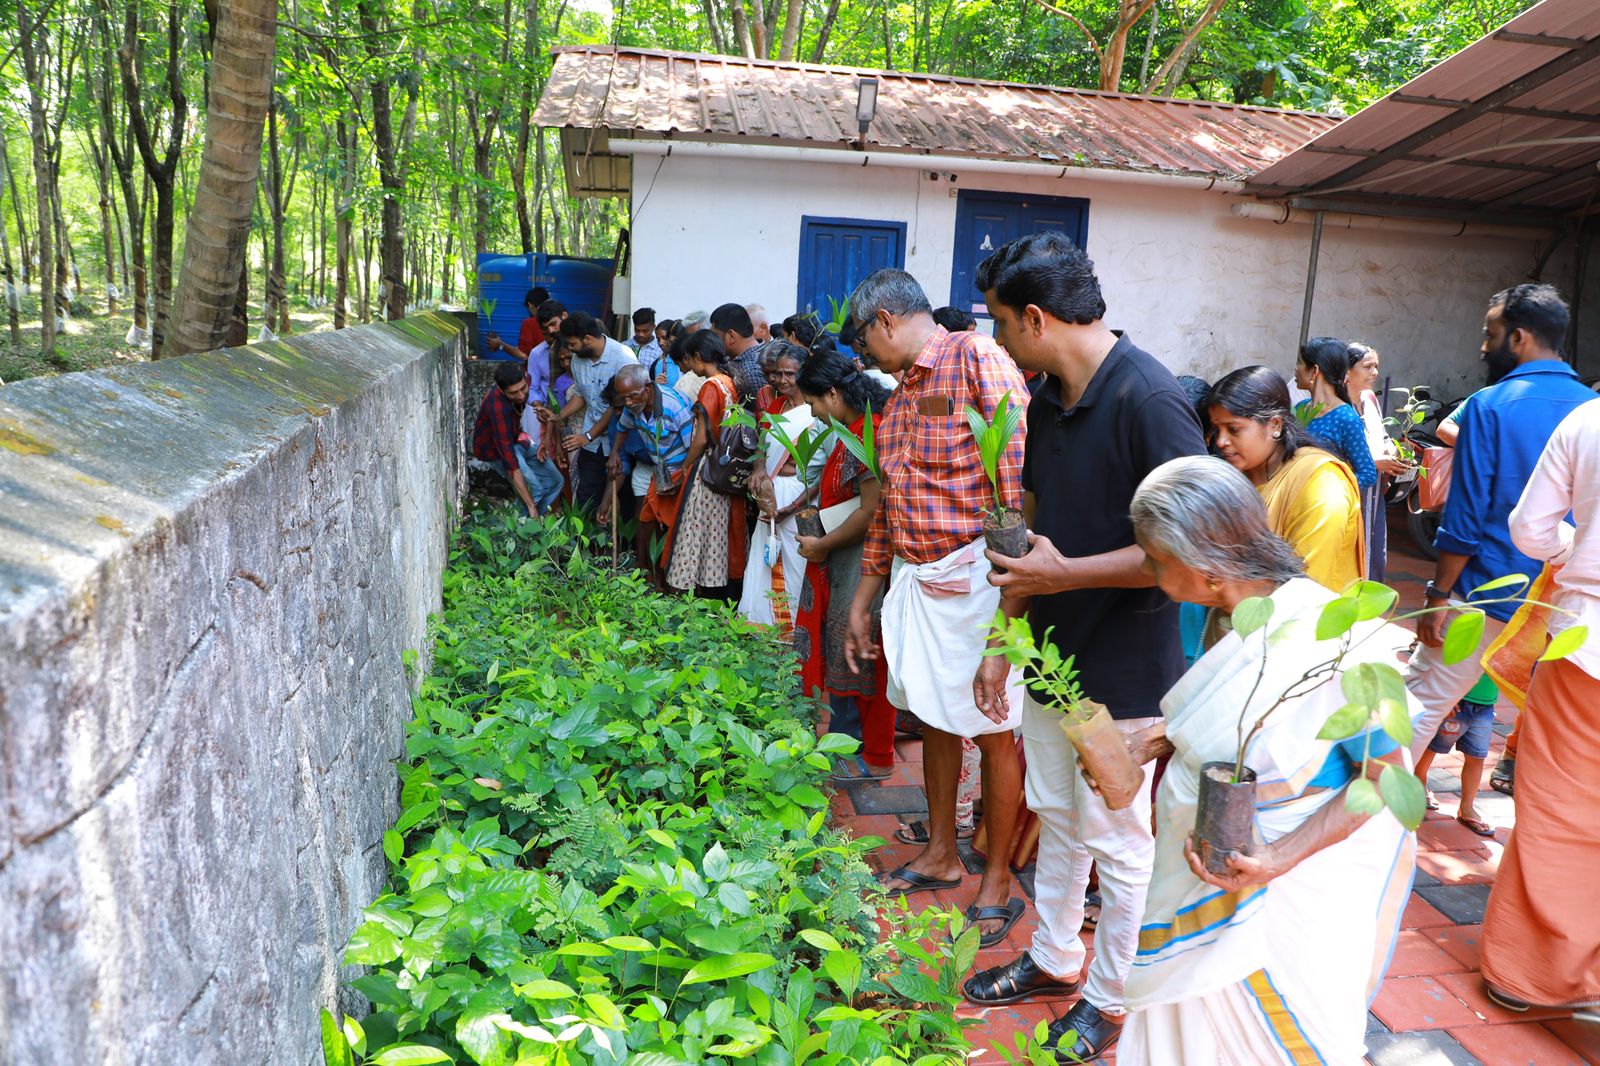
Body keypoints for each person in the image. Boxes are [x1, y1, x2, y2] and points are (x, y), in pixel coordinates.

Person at [962, 233, 1207, 1062]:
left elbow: (1190, 551)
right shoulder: (1045, 401)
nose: (995, 342)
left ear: (1034, 319)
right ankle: (1054, 957)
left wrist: (1064, 577)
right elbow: (1036, 541)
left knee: (1118, 841)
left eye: (999, 324)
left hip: (1124, 675)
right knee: (1060, 817)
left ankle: (1108, 1000)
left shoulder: (1150, 401)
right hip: (1052, 662)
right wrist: (1006, 640)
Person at [1111, 455, 1417, 1064]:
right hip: (1212, 872)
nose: (1147, 571)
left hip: (1296, 889)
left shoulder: (1340, 641)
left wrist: (1277, 858)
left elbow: (1386, 780)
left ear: (1206, 571)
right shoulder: (1226, 617)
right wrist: (1162, 739)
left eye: (1155, 560)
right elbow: (1236, 728)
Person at [842, 268, 1029, 949]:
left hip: (980, 579)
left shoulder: (974, 357)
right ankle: (942, 853)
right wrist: (865, 596)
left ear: (886, 318)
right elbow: (889, 513)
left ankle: (999, 877)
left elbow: (1013, 479)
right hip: (918, 583)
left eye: (865, 337)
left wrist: (1010, 603)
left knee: (991, 724)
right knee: (934, 717)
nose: (865, 353)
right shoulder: (896, 404)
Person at [1407, 283, 1596, 757]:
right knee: (1552, 732)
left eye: (1490, 334)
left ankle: (1367, 815)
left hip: (1488, 590)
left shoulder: (1492, 405)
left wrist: (1438, 593)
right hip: (1559, 603)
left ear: (1519, 338)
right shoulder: (1589, 411)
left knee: (1418, 700)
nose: (1483, 345)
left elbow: (1465, 515)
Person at [1481, 396, 1600, 1017]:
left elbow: (1529, 530)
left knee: (1557, 800)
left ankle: (1529, 974)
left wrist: (1569, 551)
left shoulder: (1587, 421)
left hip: (1586, 643)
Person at [794, 350, 897, 781]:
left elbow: (872, 510)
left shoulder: (866, 432)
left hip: (862, 555)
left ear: (833, 394)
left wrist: (822, 544)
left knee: (859, 650)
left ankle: (866, 753)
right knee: (845, 647)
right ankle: (846, 742)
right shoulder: (853, 429)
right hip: (847, 552)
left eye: (816, 403)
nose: (815, 415)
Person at [1208, 367, 1365, 593]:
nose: (1221, 441)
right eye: (1217, 430)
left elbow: (1301, 590)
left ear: (1275, 425)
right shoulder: (1235, 478)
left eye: (1233, 429)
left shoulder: (1321, 483)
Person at [663, 330, 748, 598]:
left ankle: (692, 591)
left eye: (689, 359)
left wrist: (687, 465)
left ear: (699, 357)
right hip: (725, 468)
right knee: (718, 534)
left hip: (708, 467)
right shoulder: (730, 382)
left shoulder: (711, 386)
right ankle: (717, 592)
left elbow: (700, 438)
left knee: (695, 531)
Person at [739, 341, 811, 629]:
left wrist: (793, 506)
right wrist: (758, 468)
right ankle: (763, 626)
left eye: (790, 374)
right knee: (764, 560)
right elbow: (761, 444)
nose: (782, 380)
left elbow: (817, 472)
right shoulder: (776, 405)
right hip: (770, 495)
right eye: (778, 374)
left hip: (798, 495)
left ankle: (792, 630)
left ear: (803, 374)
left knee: (794, 563)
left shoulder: (815, 410)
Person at [610, 363, 695, 589]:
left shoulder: (673, 405)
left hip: (681, 471)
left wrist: (682, 476)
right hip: (660, 472)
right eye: (624, 398)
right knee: (646, 521)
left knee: (675, 528)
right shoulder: (633, 407)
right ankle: (647, 573)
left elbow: (695, 447)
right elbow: (622, 428)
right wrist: (615, 453)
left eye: (632, 396)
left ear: (647, 387)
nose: (628, 403)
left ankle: (673, 583)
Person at [558, 312, 638, 514]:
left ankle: (620, 546)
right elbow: (581, 395)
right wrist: (558, 416)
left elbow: (619, 406)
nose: (569, 349)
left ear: (587, 339)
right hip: (592, 445)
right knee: (587, 498)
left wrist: (587, 435)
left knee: (622, 501)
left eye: (572, 343)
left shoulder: (623, 357)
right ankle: (586, 545)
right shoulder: (578, 360)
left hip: (619, 442)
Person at [1345, 343, 1410, 583]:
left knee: (1374, 552)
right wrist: (1374, 463)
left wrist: (1391, 448)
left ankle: (1368, 611)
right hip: (1350, 492)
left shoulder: (1369, 399)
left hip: (1373, 495)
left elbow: (1381, 435)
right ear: (1347, 371)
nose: (1374, 372)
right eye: (1367, 366)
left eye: (1376, 366)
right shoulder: (1339, 409)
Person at [1413, 674, 1498, 836]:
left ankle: (1467, 807)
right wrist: (1446, 696)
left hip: (1486, 704)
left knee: (1477, 755)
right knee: (1434, 745)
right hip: (1457, 700)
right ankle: (1419, 779)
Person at [472, 361, 561, 517]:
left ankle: (532, 523)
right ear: (501, 389)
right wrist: (530, 505)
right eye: (513, 393)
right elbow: (510, 463)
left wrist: (537, 407)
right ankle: (515, 530)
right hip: (496, 449)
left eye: (522, 389)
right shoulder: (497, 407)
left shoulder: (526, 379)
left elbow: (531, 394)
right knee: (534, 491)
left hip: (517, 438)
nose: (520, 396)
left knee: (555, 481)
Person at [1295, 337, 1377, 491]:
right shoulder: (1300, 409)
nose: (1296, 368)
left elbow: (1367, 474)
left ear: (1314, 371)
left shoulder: (1345, 417)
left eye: (1300, 363)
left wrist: (1327, 489)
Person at [711, 303, 767, 399]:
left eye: (715, 336)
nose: (713, 341)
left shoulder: (751, 373)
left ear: (731, 336)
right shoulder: (736, 359)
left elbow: (764, 413)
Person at [484, 286, 550, 359]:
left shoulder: (530, 323)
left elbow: (523, 354)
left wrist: (500, 345)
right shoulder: (556, 321)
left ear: (530, 305)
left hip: (536, 369)